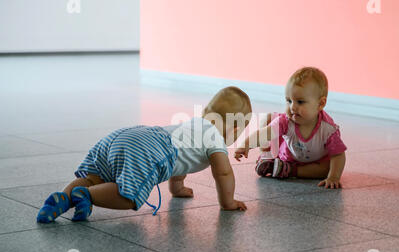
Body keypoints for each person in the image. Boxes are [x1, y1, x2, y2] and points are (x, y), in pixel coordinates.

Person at [37, 86, 252, 223]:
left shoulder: (194, 124)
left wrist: (177, 189)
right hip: (148, 149)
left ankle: (63, 199)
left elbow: (179, 164)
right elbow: (223, 174)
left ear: (206, 111)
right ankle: (87, 195)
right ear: (235, 130)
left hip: (130, 135)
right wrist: (228, 202)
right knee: (127, 195)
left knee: (94, 177)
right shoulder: (215, 139)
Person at [234, 67, 347, 189]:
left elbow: (338, 155)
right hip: (287, 156)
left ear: (320, 104)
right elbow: (264, 134)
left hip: (315, 163)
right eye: (288, 101)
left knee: (328, 169)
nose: (292, 107)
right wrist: (246, 144)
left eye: (300, 102)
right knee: (267, 118)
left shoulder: (328, 130)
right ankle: (267, 157)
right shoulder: (286, 122)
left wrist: (333, 177)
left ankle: (288, 170)